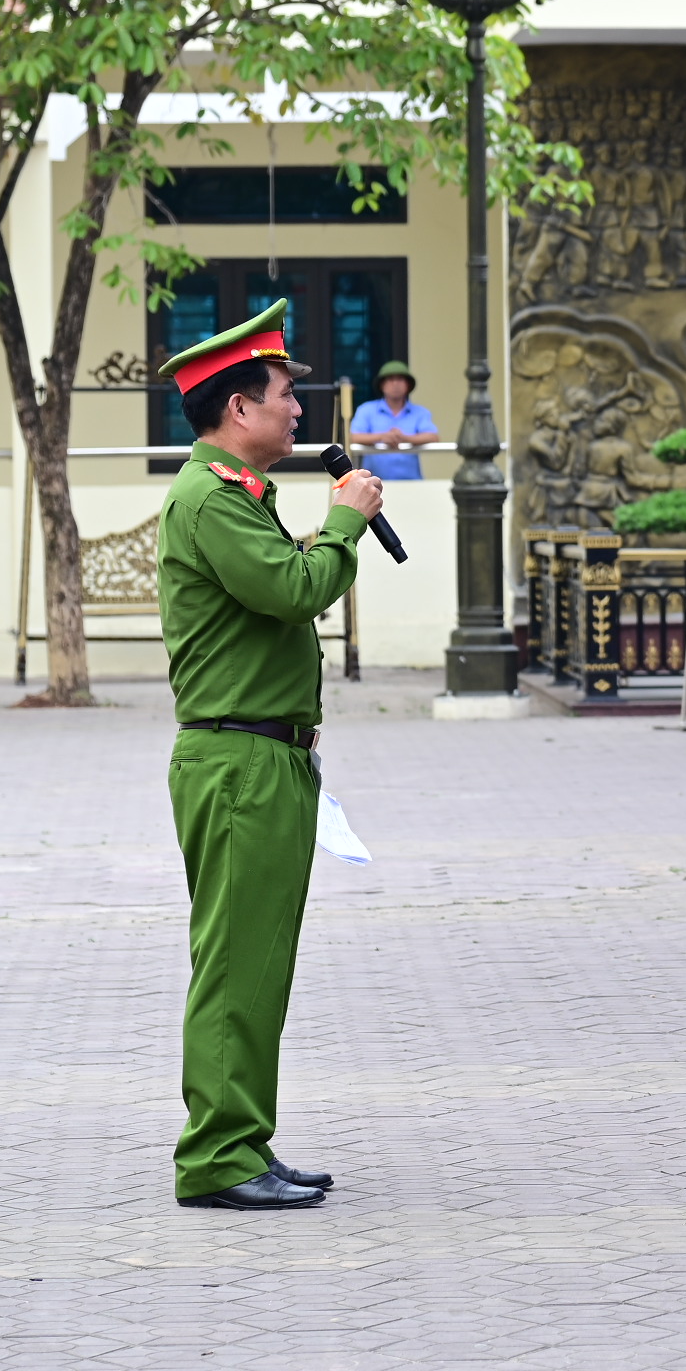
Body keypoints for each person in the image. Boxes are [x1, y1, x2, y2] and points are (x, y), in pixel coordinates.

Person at [154, 298, 382, 1210]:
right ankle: (216, 1157)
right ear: (238, 408)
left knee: (258, 962)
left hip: (264, 759)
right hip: (238, 764)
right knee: (235, 964)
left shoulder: (235, 497)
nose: (299, 410)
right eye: (286, 393)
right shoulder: (210, 499)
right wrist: (346, 520)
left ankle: (244, 1138)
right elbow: (295, 591)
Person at [344, 360, 436, 482]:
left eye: (400, 379)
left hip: (412, 483)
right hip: (372, 484)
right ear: (382, 385)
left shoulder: (420, 412)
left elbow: (432, 437)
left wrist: (404, 438)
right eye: (390, 379)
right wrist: (382, 437)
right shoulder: (366, 409)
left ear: (408, 385)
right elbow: (353, 437)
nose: (395, 384)